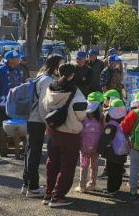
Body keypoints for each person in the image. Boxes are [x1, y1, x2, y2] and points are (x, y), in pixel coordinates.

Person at [40, 63, 87, 207]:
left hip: (53, 130)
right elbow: (81, 114)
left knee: (52, 163)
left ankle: (48, 194)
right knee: (67, 165)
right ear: (72, 75)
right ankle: (58, 196)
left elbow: (44, 105)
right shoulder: (75, 91)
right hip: (70, 133)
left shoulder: (51, 87)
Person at [23, 54, 64, 197]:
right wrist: (48, 123)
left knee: (29, 151)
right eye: (61, 65)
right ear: (55, 65)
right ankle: (33, 187)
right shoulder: (47, 80)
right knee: (34, 153)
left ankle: (26, 184)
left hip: (32, 118)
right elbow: (43, 104)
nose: (62, 68)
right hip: (38, 120)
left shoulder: (41, 76)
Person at [0, 50, 22, 153]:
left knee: (12, 122)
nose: (19, 59)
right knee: (0, 123)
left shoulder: (16, 70)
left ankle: (10, 142)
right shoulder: (0, 71)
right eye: (17, 58)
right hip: (0, 103)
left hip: (13, 102)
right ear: (11, 60)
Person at [98, 99, 129, 195]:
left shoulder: (111, 125)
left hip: (112, 152)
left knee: (112, 171)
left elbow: (105, 139)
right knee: (119, 170)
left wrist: (99, 150)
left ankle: (111, 189)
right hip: (123, 151)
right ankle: (116, 188)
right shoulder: (124, 122)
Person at [77, 94, 104, 193]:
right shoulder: (101, 117)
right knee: (94, 166)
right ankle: (92, 184)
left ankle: (82, 186)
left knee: (84, 166)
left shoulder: (83, 116)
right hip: (96, 148)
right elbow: (104, 130)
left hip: (84, 149)